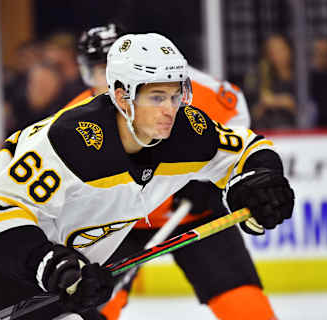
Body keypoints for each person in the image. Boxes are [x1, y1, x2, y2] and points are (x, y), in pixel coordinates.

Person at [0, 32, 294, 320]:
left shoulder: (185, 129)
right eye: (157, 97)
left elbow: (248, 147)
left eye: (175, 95)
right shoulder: (73, 139)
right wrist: (53, 267)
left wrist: (260, 181)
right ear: (123, 97)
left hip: (64, 247)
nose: (170, 110)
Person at [72, 24, 277, 320]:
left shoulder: (183, 86)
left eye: (109, 69)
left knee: (247, 308)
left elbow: (235, 122)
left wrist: (209, 179)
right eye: (95, 71)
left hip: (195, 214)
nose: (104, 83)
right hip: (119, 225)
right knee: (91, 308)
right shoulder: (76, 118)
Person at [243, 34, 297, 130]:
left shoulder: (300, 78)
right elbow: (252, 113)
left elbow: (305, 110)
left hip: (297, 132)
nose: (276, 54)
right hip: (266, 132)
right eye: (272, 51)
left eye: (281, 49)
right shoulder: (260, 76)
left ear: (290, 50)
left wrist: (279, 101)